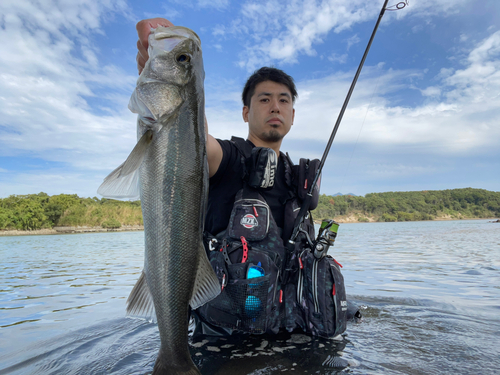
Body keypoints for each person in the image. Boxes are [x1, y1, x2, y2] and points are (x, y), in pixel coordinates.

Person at [135, 18, 352, 338]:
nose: (275, 106)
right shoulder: (228, 158)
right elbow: (190, 139)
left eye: (284, 100)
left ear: (293, 114)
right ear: (246, 112)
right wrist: (164, 73)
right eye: (264, 99)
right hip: (226, 346)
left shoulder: (298, 181)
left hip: (295, 341)